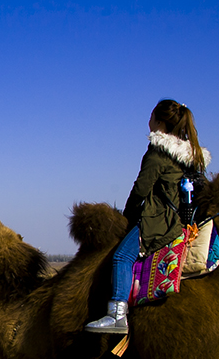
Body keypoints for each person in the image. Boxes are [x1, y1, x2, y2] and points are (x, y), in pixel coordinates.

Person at [85, 99, 210, 334]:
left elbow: (141, 189)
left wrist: (127, 215)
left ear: (159, 122)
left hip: (158, 221)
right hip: (178, 219)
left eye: (151, 115)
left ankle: (116, 315)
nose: (148, 119)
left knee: (121, 257)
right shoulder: (185, 155)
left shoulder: (158, 152)